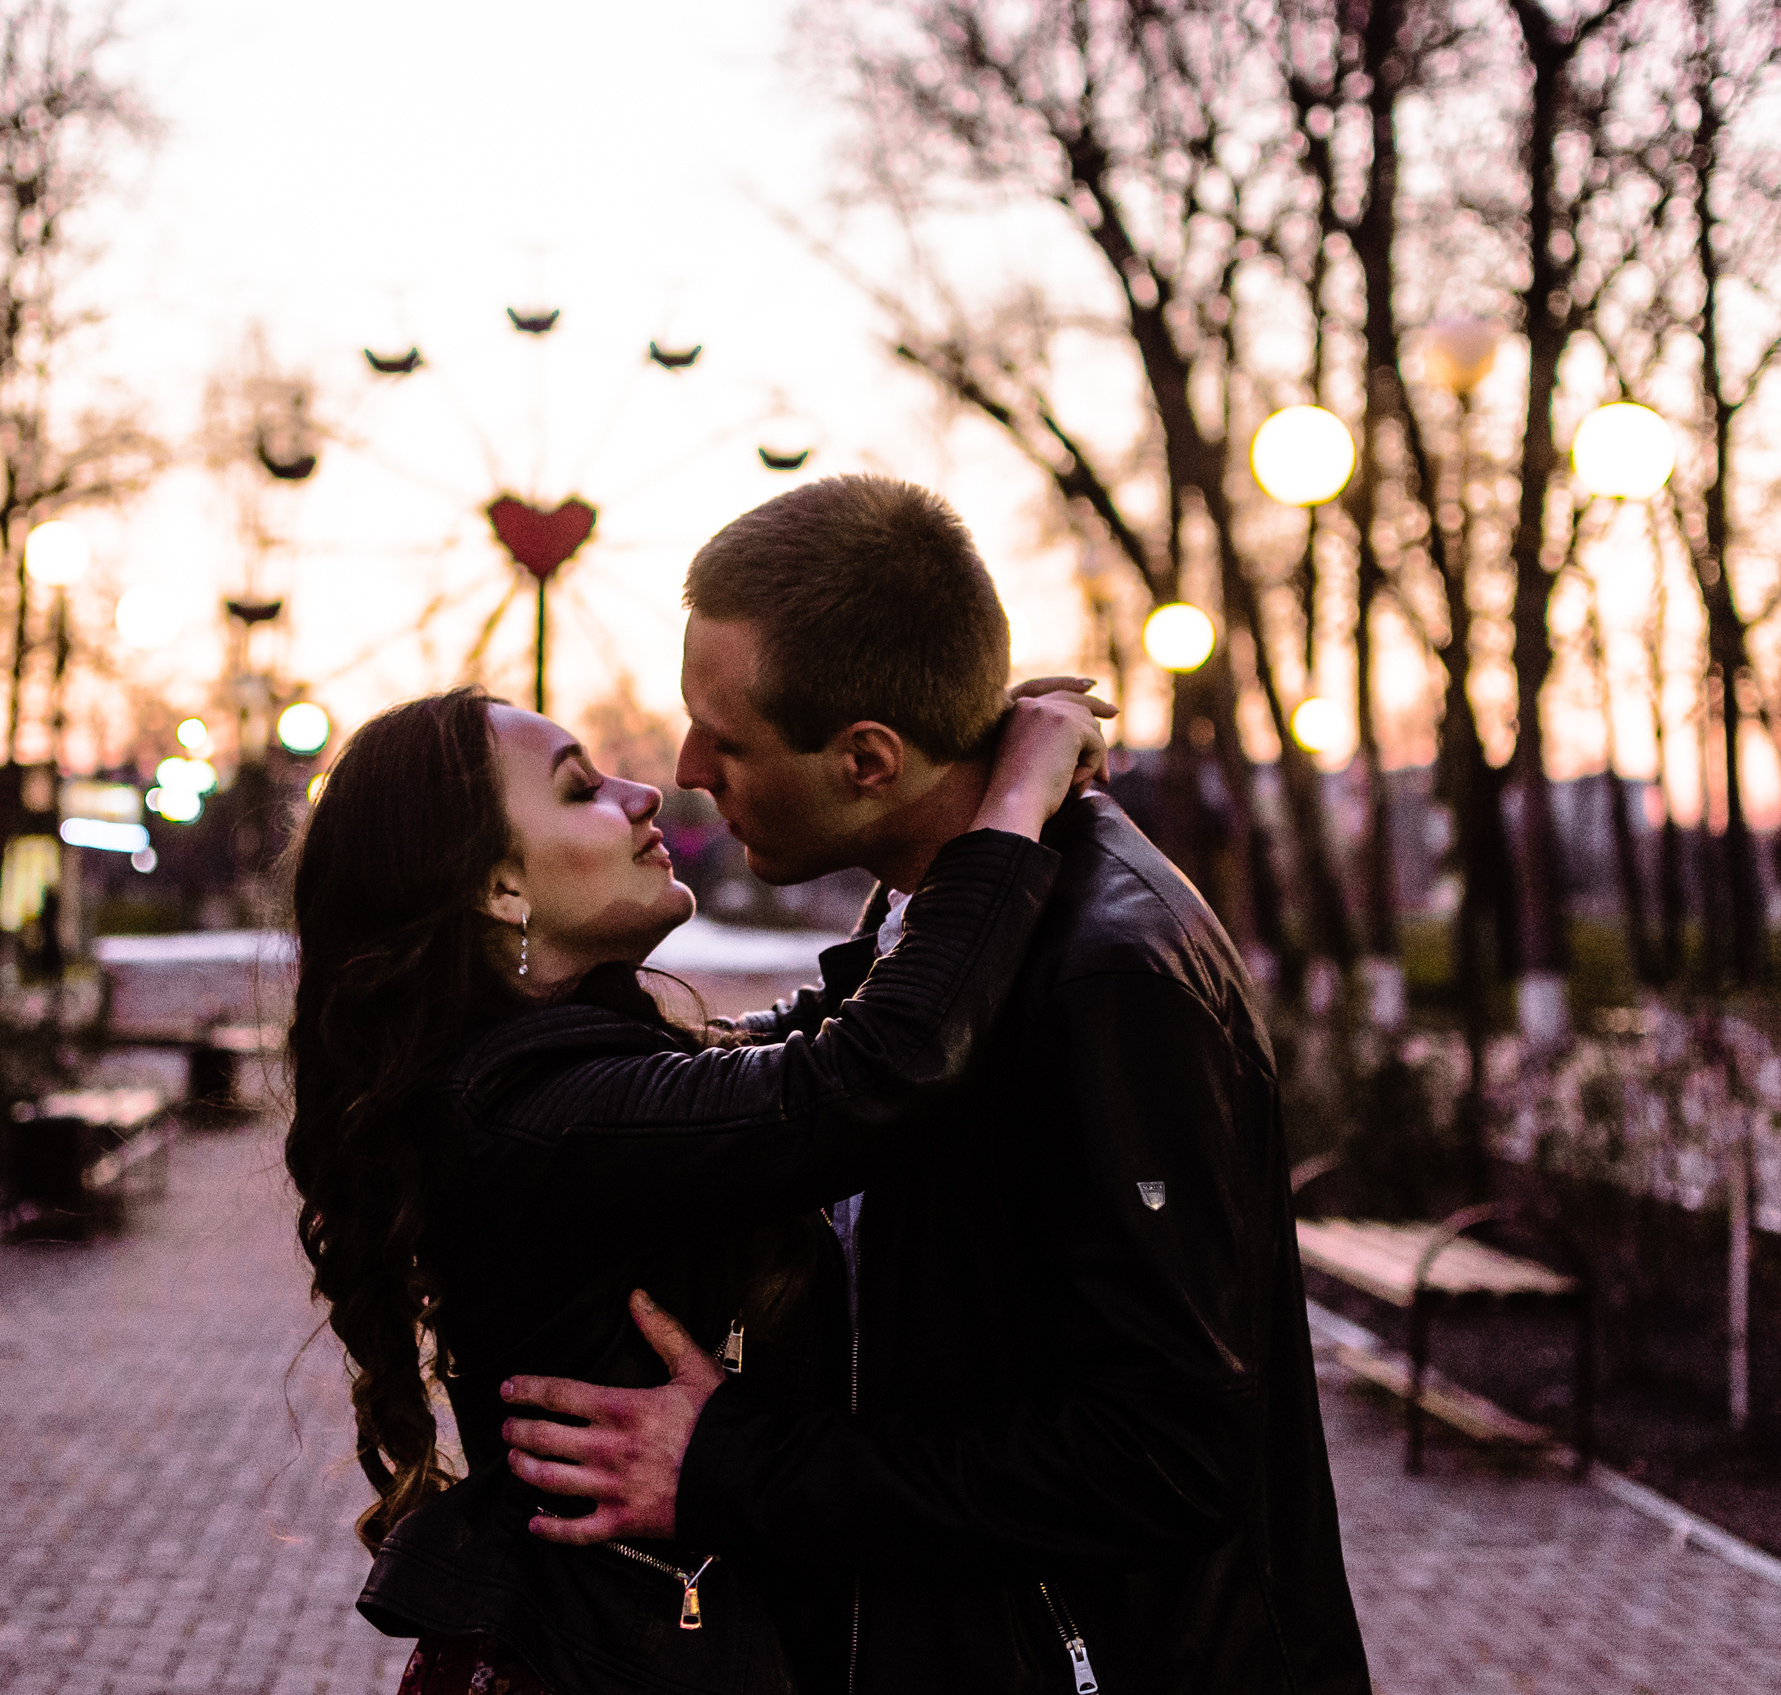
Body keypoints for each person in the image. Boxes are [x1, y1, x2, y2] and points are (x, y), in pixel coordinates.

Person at [502, 475, 1373, 1694]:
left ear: (867, 760)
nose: (688, 769)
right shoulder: (936, 939)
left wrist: (739, 1468)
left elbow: (1167, 1456)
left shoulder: (1102, 975)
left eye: (728, 738)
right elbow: (818, 1083)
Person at [282, 675, 1108, 1694]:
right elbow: (866, 1076)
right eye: (579, 789)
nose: (642, 794)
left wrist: (933, 838)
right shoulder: (534, 1113)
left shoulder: (541, 1080)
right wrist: (1015, 803)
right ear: (498, 886)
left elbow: (809, 1039)